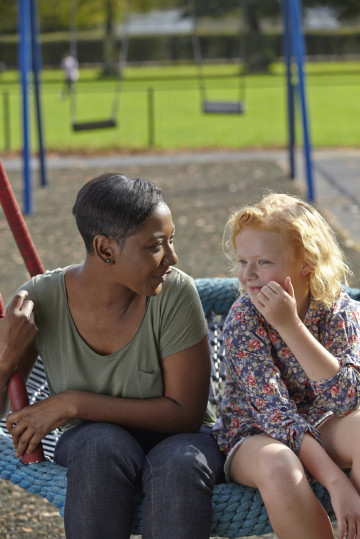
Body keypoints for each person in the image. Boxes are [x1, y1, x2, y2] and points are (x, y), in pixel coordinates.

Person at [0, 173, 224, 539]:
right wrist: (6, 357)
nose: (172, 257)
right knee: (97, 446)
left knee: (179, 464)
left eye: (171, 241)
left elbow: (185, 415)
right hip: (94, 445)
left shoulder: (173, 292)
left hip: (180, 439)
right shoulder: (41, 299)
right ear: (106, 249)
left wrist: (73, 403)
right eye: (155, 246)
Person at [212, 192, 360, 539]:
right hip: (255, 436)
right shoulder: (244, 319)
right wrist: (337, 482)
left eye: (263, 262)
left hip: (323, 421)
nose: (248, 275)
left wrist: (290, 326)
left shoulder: (339, 310)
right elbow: (275, 416)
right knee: (280, 464)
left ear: (307, 262)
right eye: (242, 261)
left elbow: (349, 400)